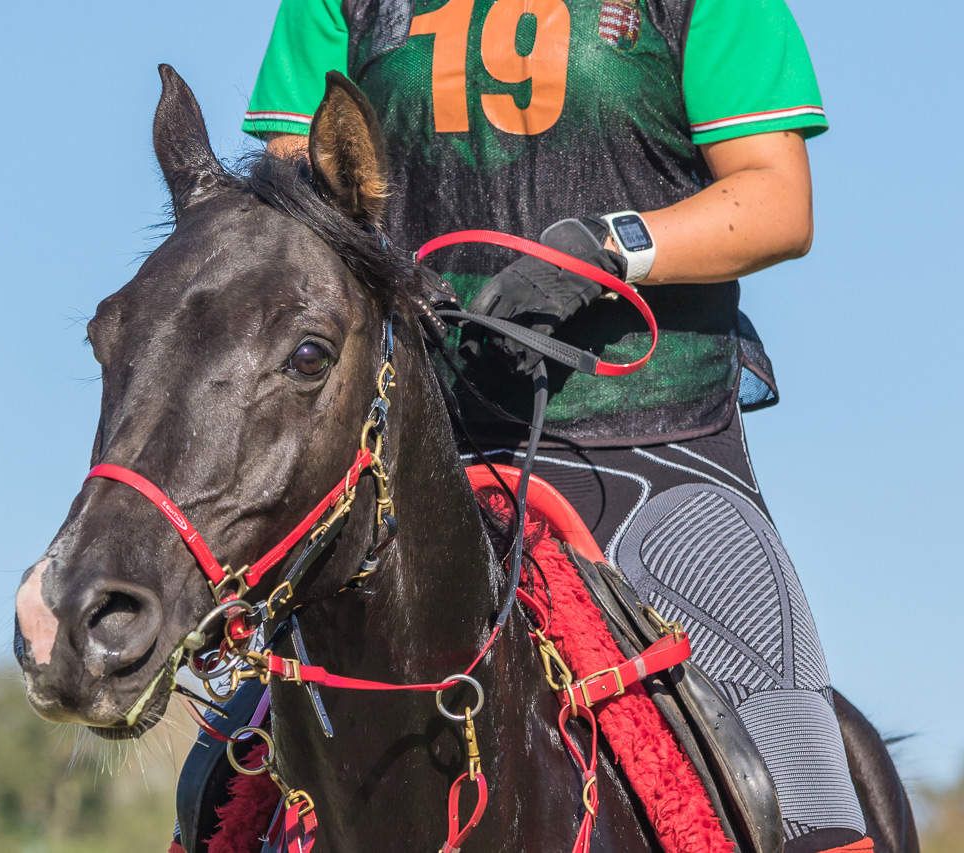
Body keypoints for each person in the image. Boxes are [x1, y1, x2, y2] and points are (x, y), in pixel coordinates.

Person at [241, 2, 871, 852]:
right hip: (413, 466)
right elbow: (288, 218)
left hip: (653, 449)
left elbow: (778, 199)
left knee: (805, 792)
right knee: (219, 781)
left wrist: (610, 249)